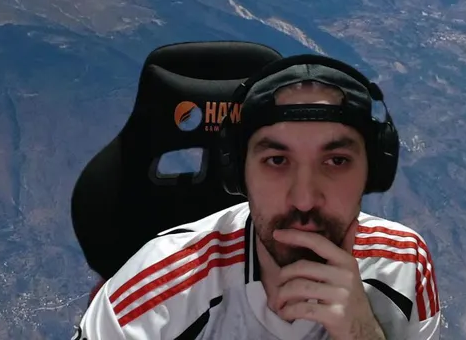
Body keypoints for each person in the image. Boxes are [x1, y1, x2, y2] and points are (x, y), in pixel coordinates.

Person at [73, 54, 442, 339]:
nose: (304, 200)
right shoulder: (155, 295)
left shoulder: (403, 268)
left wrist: (363, 332)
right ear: (238, 172)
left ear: (374, 172)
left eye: (336, 161)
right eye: (277, 160)